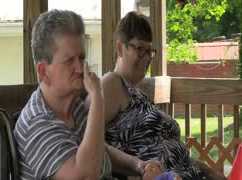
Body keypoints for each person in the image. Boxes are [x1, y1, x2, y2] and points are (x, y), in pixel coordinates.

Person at [13, 9, 164, 180]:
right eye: (69, 60)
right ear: (43, 71)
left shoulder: (73, 107)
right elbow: (85, 175)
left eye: (81, 57)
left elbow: (99, 150)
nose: (80, 68)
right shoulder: (38, 123)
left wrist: (139, 166)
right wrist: (98, 97)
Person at [101, 11, 227, 180]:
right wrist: (138, 166)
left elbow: (171, 151)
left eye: (149, 51)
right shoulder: (112, 83)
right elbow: (88, 141)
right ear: (120, 48)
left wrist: (209, 170)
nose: (146, 57)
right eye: (139, 49)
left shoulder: (140, 95)